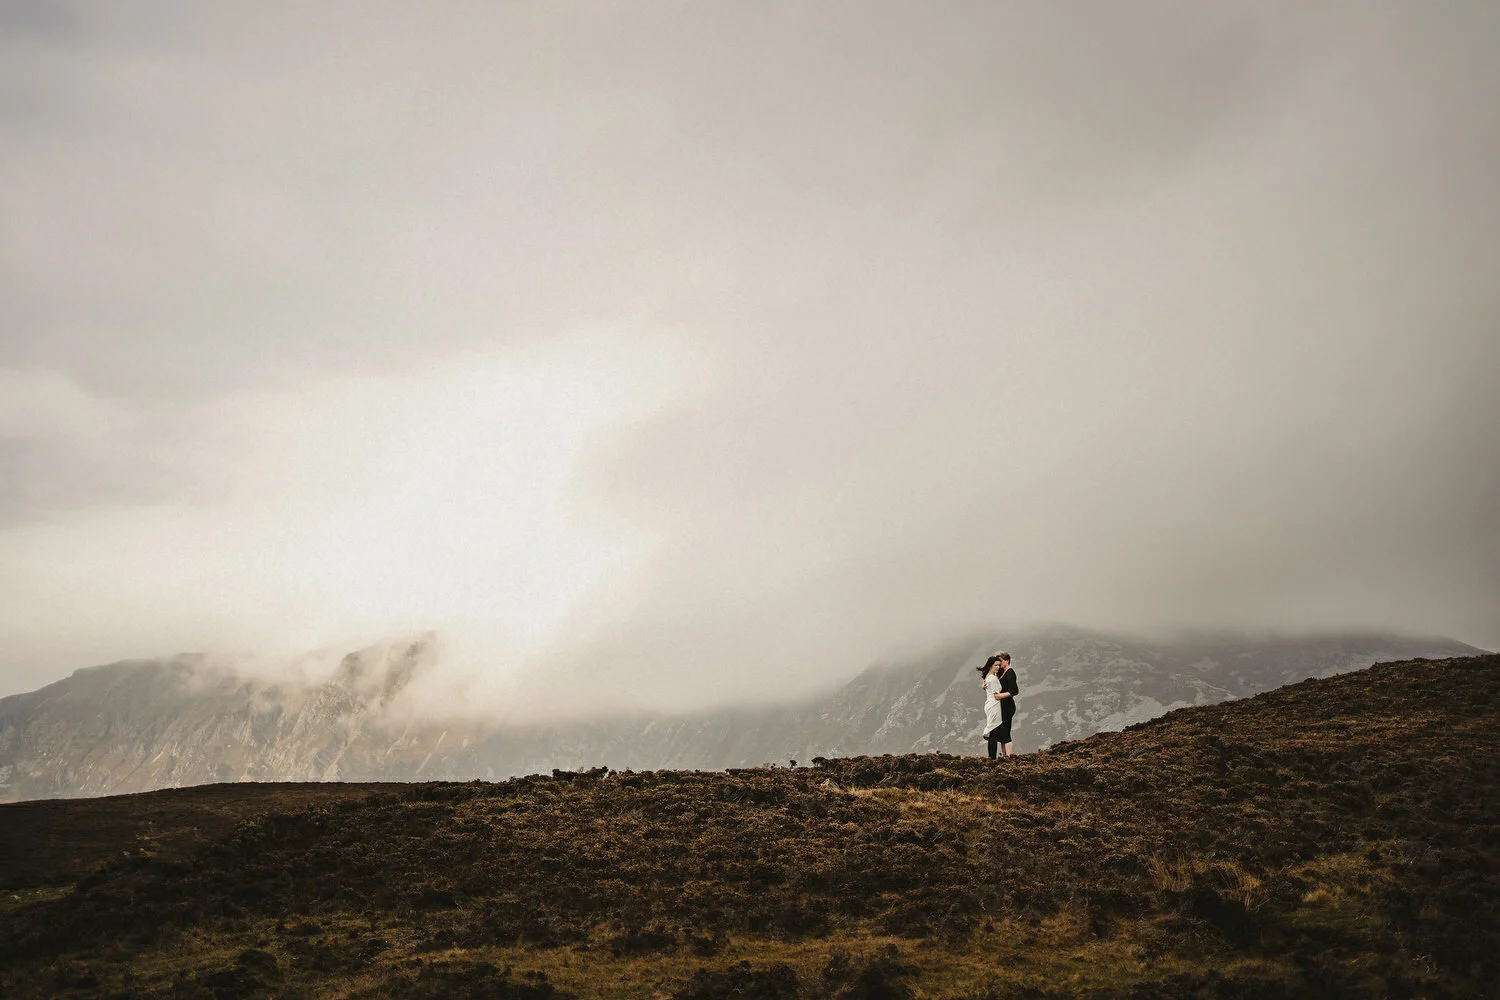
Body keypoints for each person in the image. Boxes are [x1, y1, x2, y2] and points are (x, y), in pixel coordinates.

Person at [977, 651, 1019, 759]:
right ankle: (1005, 756)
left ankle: (1009, 757)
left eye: (1000, 662)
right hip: (1000, 706)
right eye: (997, 663)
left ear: (1007, 661)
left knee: (1005, 733)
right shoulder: (1000, 672)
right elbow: (990, 678)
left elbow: (1014, 690)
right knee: (1001, 733)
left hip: (1007, 705)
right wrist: (985, 684)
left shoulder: (1010, 673)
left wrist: (999, 695)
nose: (999, 665)